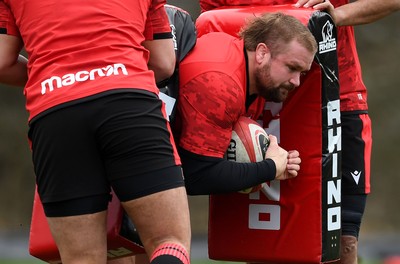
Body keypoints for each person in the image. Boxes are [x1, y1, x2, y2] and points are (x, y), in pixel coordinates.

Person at [199, 0, 400, 263]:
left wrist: (337, 16)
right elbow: (215, 28)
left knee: (342, 241)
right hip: (260, 103)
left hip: (338, 100)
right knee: (262, 242)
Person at [0, 0, 192, 263]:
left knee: (81, 259)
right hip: (128, 99)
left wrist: (53, 75)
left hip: (56, 110)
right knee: (169, 242)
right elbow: (163, 61)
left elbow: (2, 62)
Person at [175, 12, 317, 196]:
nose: (296, 82)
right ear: (262, 53)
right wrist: (271, 167)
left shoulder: (248, 69)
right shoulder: (223, 85)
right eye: (291, 68)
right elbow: (197, 177)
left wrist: (274, 157)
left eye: (302, 73)